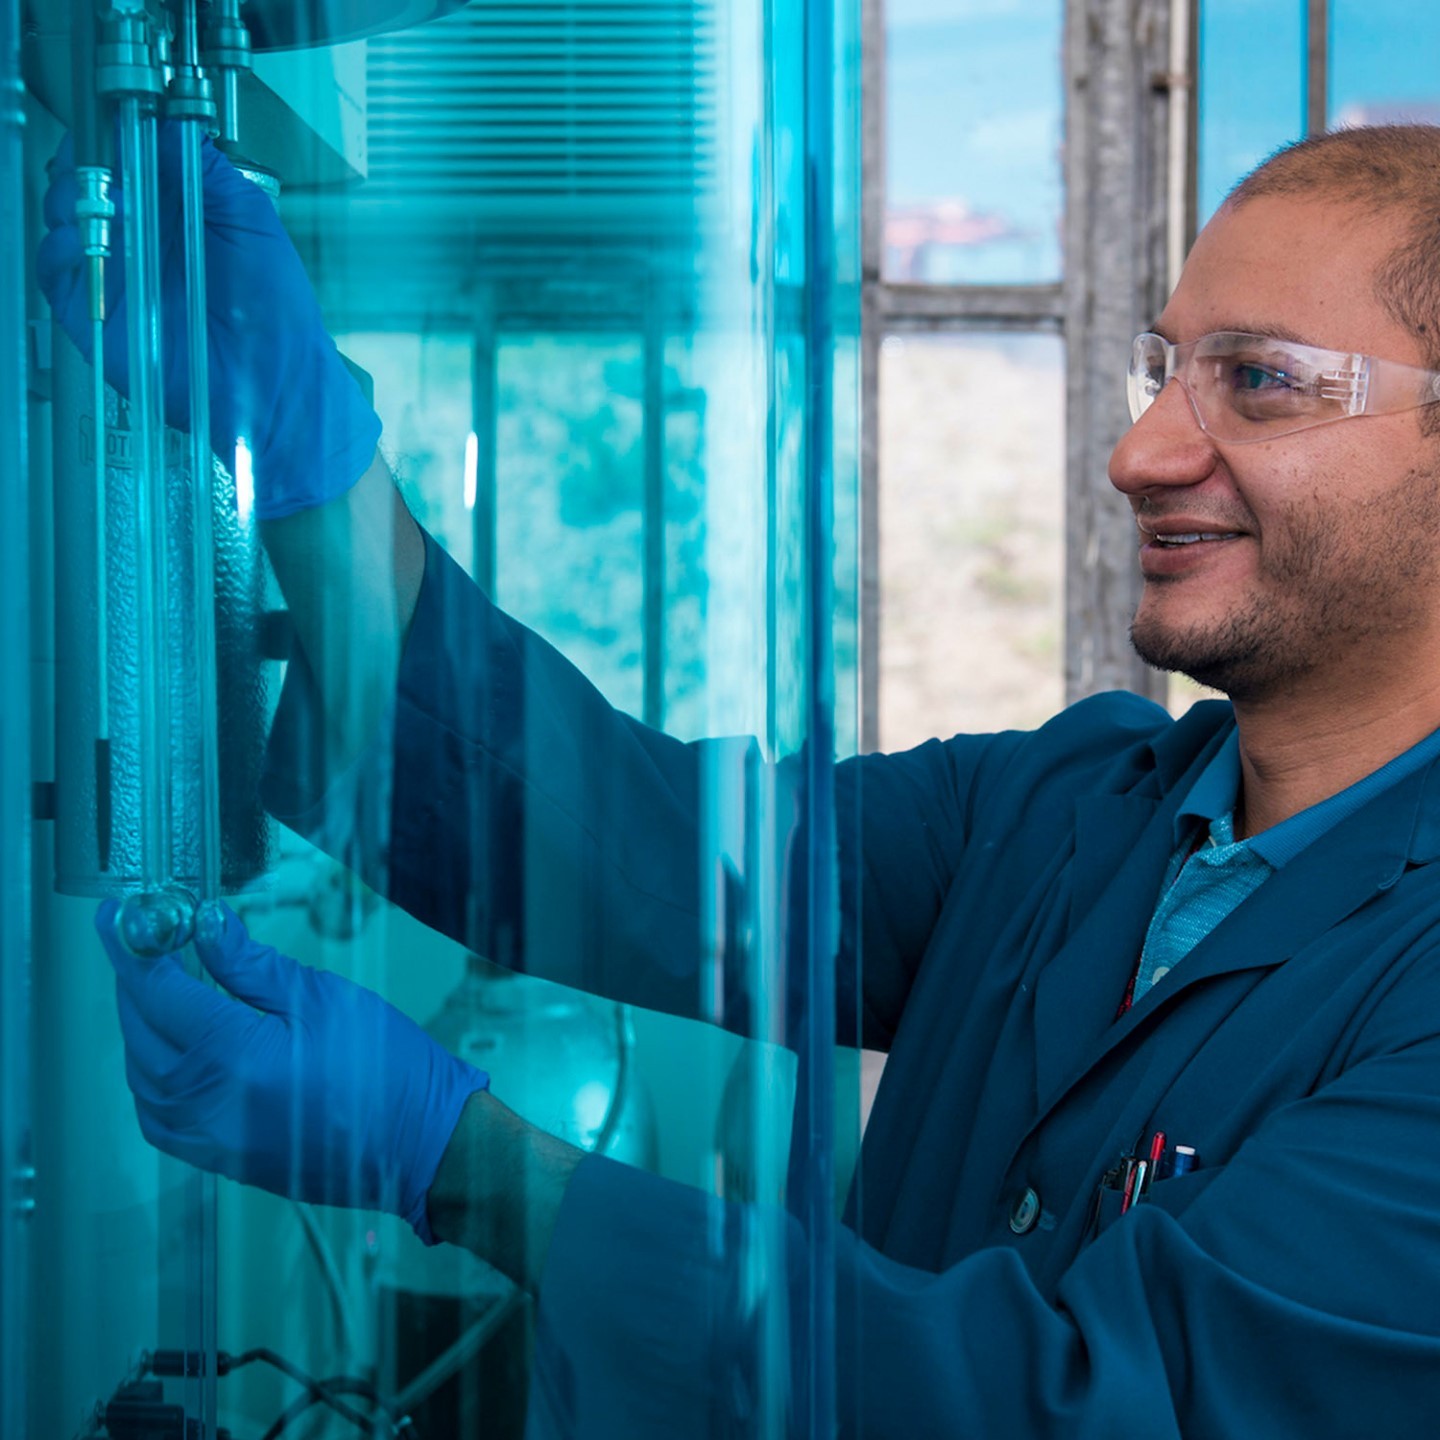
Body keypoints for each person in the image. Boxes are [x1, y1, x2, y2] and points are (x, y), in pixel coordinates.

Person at [40, 121, 1440, 1436]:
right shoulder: (1071, 811)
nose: (1141, 455)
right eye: (1163, 373)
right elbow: (631, 846)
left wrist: (465, 1163)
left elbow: (1060, 1405)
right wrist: (309, 459)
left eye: (1257, 380)